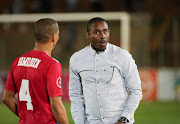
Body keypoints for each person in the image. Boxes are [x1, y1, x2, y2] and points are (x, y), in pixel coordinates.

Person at [69, 17, 142, 124]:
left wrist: (124, 119)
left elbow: (136, 90)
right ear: (88, 35)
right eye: (96, 32)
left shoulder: (122, 55)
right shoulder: (77, 59)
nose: (102, 36)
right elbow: (75, 95)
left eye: (105, 31)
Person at [2, 18, 69, 124]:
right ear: (54, 37)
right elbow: (56, 105)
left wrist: (27, 118)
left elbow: (6, 98)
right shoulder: (52, 65)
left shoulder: (18, 61)